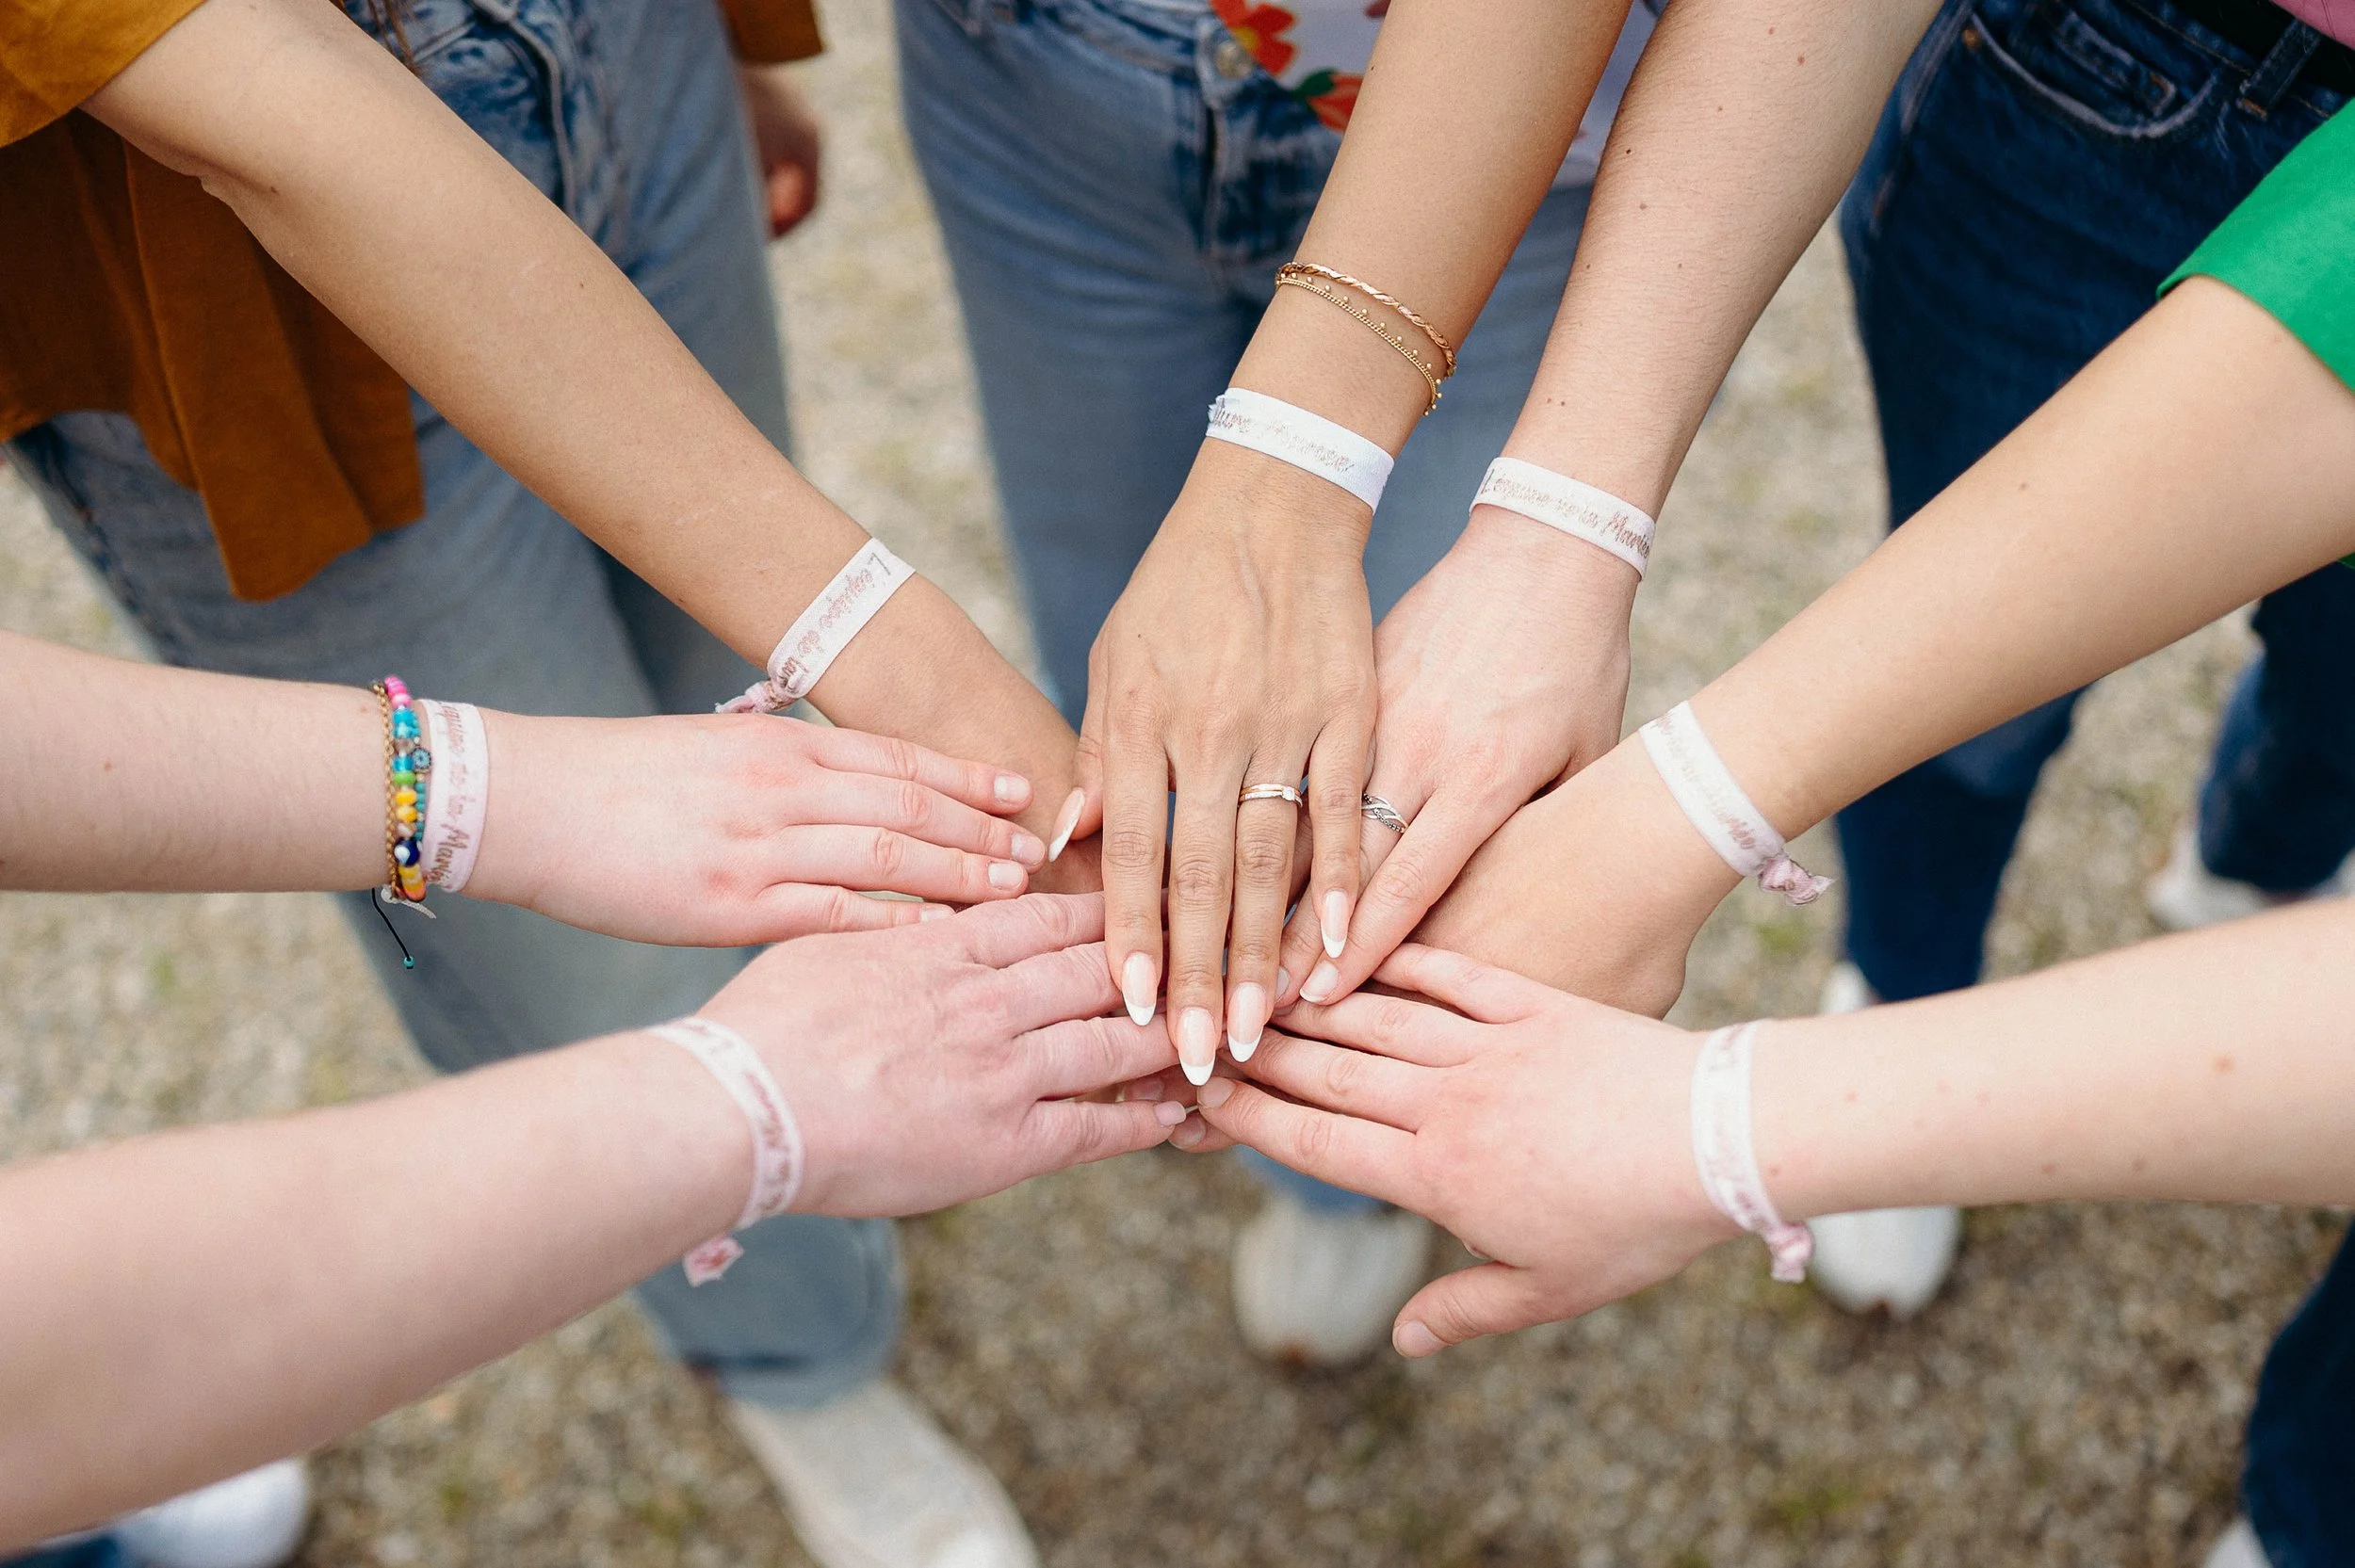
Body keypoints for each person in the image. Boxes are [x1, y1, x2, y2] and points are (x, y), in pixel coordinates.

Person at [1, 0, 1092, 1560]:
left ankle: (863, 1103)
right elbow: (247, 95)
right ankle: (798, 1353)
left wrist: (732, 39)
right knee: (593, 978)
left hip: (620, 68)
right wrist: (880, 654)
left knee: (748, 746)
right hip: (217, 281)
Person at [1198, 108, 2355, 1568]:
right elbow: (2340, 284)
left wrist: (1718, 1133)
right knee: (1983, 737)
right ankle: (1965, 950)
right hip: (2111, 86)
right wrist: (1666, 800)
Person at [898, 0, 1658, 1363]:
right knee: (1116, 647)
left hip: (1532, 111)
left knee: (1399, 781)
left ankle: (1321, 1151)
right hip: (1031, 74)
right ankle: (1236, 1048)